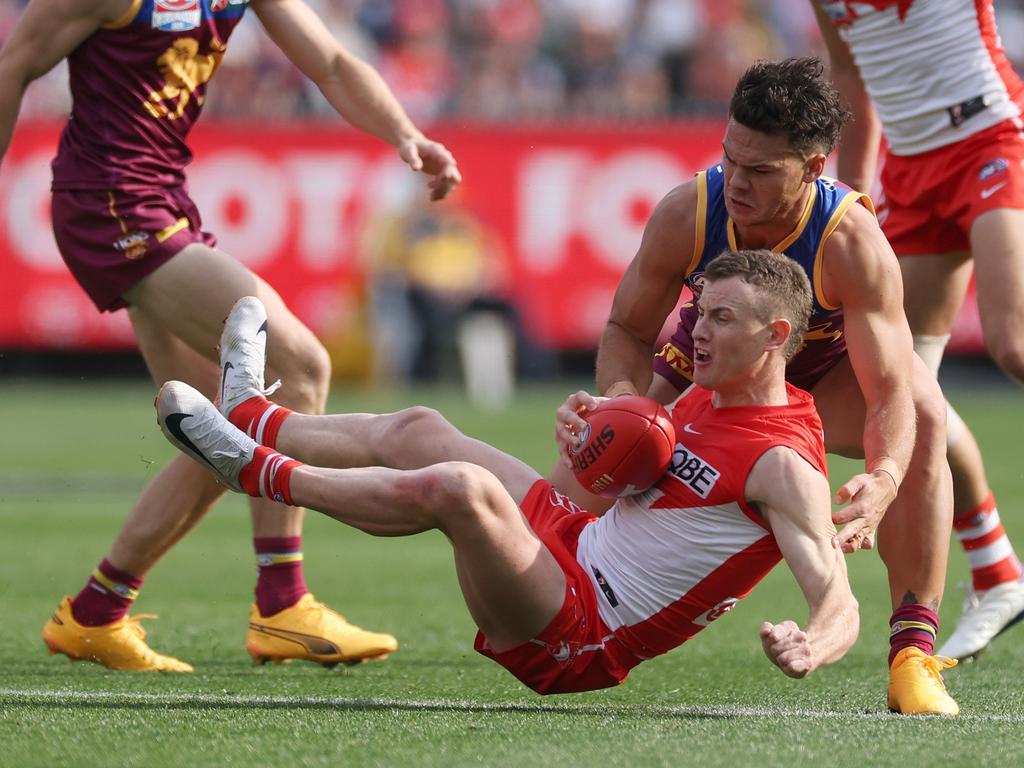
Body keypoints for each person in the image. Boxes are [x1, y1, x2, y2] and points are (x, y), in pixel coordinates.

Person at [154, 251, 861, 695]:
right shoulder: (706, 384)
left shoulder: (784, 463)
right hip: (573, 543)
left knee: (463, 488)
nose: (696, 332)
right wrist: (586, 437)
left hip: (582, 631)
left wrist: (812, 644)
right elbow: (622, 475)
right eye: (699, 313)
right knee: (421, 430)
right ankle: (253, 417)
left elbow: (841, 600)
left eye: (722, 319)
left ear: (774, 338)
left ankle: (256, 472)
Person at [0, 0, 461, 670]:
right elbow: (14, 64)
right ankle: (282, 603)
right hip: (111, 203)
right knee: (296, 368)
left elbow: (330, 62)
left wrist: (403, 134)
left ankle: (96, 612)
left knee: (215, 431)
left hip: (157, 197)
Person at [547, 57, 959, 715]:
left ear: (815, 168)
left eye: (761, 170)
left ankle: (913, 655)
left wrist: (882, 481)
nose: (736, 181)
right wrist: (616, 403)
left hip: (819, 383)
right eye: (731, 159)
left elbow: (887, 393)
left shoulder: (851, 240)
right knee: (569, 487)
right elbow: (626, 327)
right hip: (708, 369)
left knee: (927, 422)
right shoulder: (691, 207)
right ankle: (546, 610)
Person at [812, 0, 1024, 662]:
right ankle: (996, 573)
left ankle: (995, 574)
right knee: (910, 393)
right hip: (909, 172)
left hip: (990, 139)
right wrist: (854, 192)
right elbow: (850, 73)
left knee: (1013, 344)